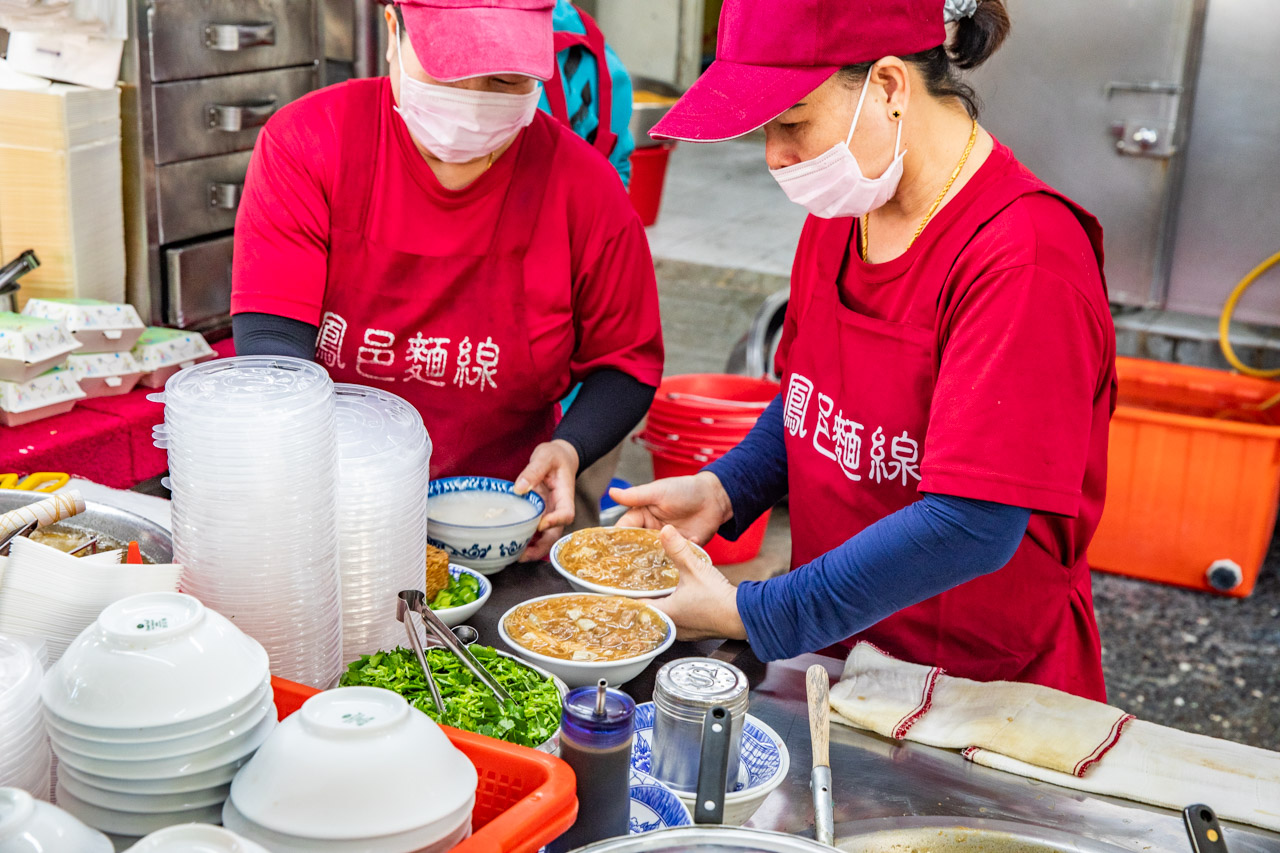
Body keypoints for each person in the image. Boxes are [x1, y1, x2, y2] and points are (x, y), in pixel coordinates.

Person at [613, 0, 1116, 700]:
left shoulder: (1024, 260)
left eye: (792, 124)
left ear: (887, 87)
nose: (775, 157)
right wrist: (724, 488)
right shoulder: (845, 214)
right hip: (840, 660)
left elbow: (974, 523)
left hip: (978, 690)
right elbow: (810, 398)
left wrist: (753, 611)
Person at [230, 0, 663, 560]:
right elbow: (272, 346)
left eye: (506, 79)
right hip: (331, 511)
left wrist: (571, 447)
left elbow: (624, 363)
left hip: (501, 519)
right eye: (449, 69)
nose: (475, 98)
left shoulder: (585, 189)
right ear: (392, 30)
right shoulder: (311, 142)